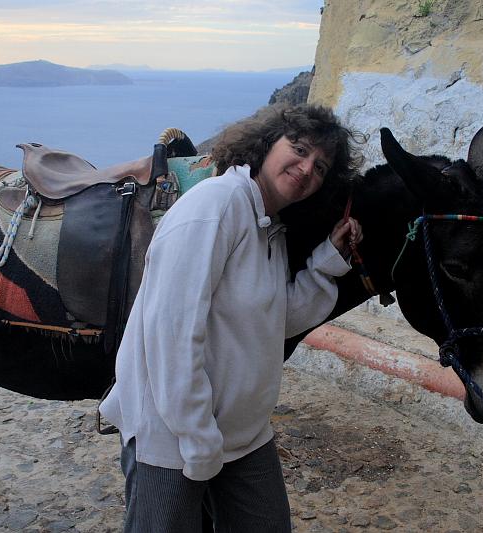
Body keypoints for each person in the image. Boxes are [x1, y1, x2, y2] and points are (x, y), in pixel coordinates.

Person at [99, 104, 364, 532]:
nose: (307, 168)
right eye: (297, 149)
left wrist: (326, 263)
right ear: (265, 145)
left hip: (242, 434)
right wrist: (198, 438)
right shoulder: (215, 206)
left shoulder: (268, 226)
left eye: (321, 167)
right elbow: (171, 332)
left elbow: (275, 319)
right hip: (174, 436)